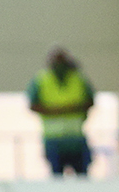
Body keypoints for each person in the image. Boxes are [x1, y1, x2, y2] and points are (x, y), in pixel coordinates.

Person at [27, 47, 96, 176]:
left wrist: (71, 109)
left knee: (83, 177)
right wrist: (55, 111)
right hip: (53, 139)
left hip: (76, 138)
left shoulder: (78, 79)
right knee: (57, 178)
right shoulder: (41, 80)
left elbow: (91, 100)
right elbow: (32, 104)